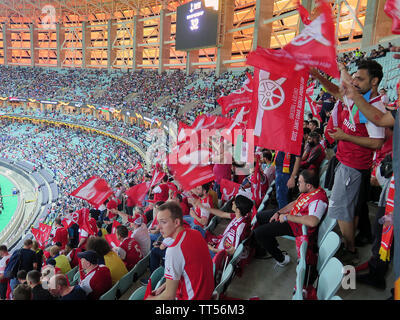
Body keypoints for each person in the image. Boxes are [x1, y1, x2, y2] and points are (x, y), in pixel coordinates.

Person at [312, 59, 387, 265]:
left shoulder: (373, 107)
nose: (353, 83)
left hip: (353, 166)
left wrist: (346, 137)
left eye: (359, 79)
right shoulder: (359, 98)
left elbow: (377, 142)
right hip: (347, 162)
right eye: (353, 78)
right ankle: (351, 243)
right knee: (349, 210)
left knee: (341, 210)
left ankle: (350, 249)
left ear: (374, 82)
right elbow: (338, 92)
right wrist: (319, 77)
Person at [252, 170, 328, 285]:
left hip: (297, 227)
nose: (297, 184)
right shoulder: (310, 191)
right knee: (260, 216)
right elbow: (295, 203)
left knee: (259, 233)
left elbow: (313, 222)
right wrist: (279, 212)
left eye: (299, 182)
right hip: (292, 217)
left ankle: (281, 259)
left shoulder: (318, 200)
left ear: (308, 185)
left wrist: (288, 218)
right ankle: (271, 243)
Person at [146, 201, 214, 300]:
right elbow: (187, 271)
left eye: (163, 222)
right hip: (207, 293)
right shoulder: (195, 233)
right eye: (158, 222)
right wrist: (165, 286)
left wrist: (149, 298)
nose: (159, 227)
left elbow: (169, 296)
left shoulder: (174, 250)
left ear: (177, 222)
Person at [197, 191, 253, 258]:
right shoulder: (238, 216)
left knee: (198, 247)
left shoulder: (241, 226)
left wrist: (213, 250)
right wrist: (205, 208)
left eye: (234, 203)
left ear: (238, 210)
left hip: (219, 254)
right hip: (220, 242)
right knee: (196, 228)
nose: (232, 202)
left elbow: (233, 251)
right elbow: (221, 214)